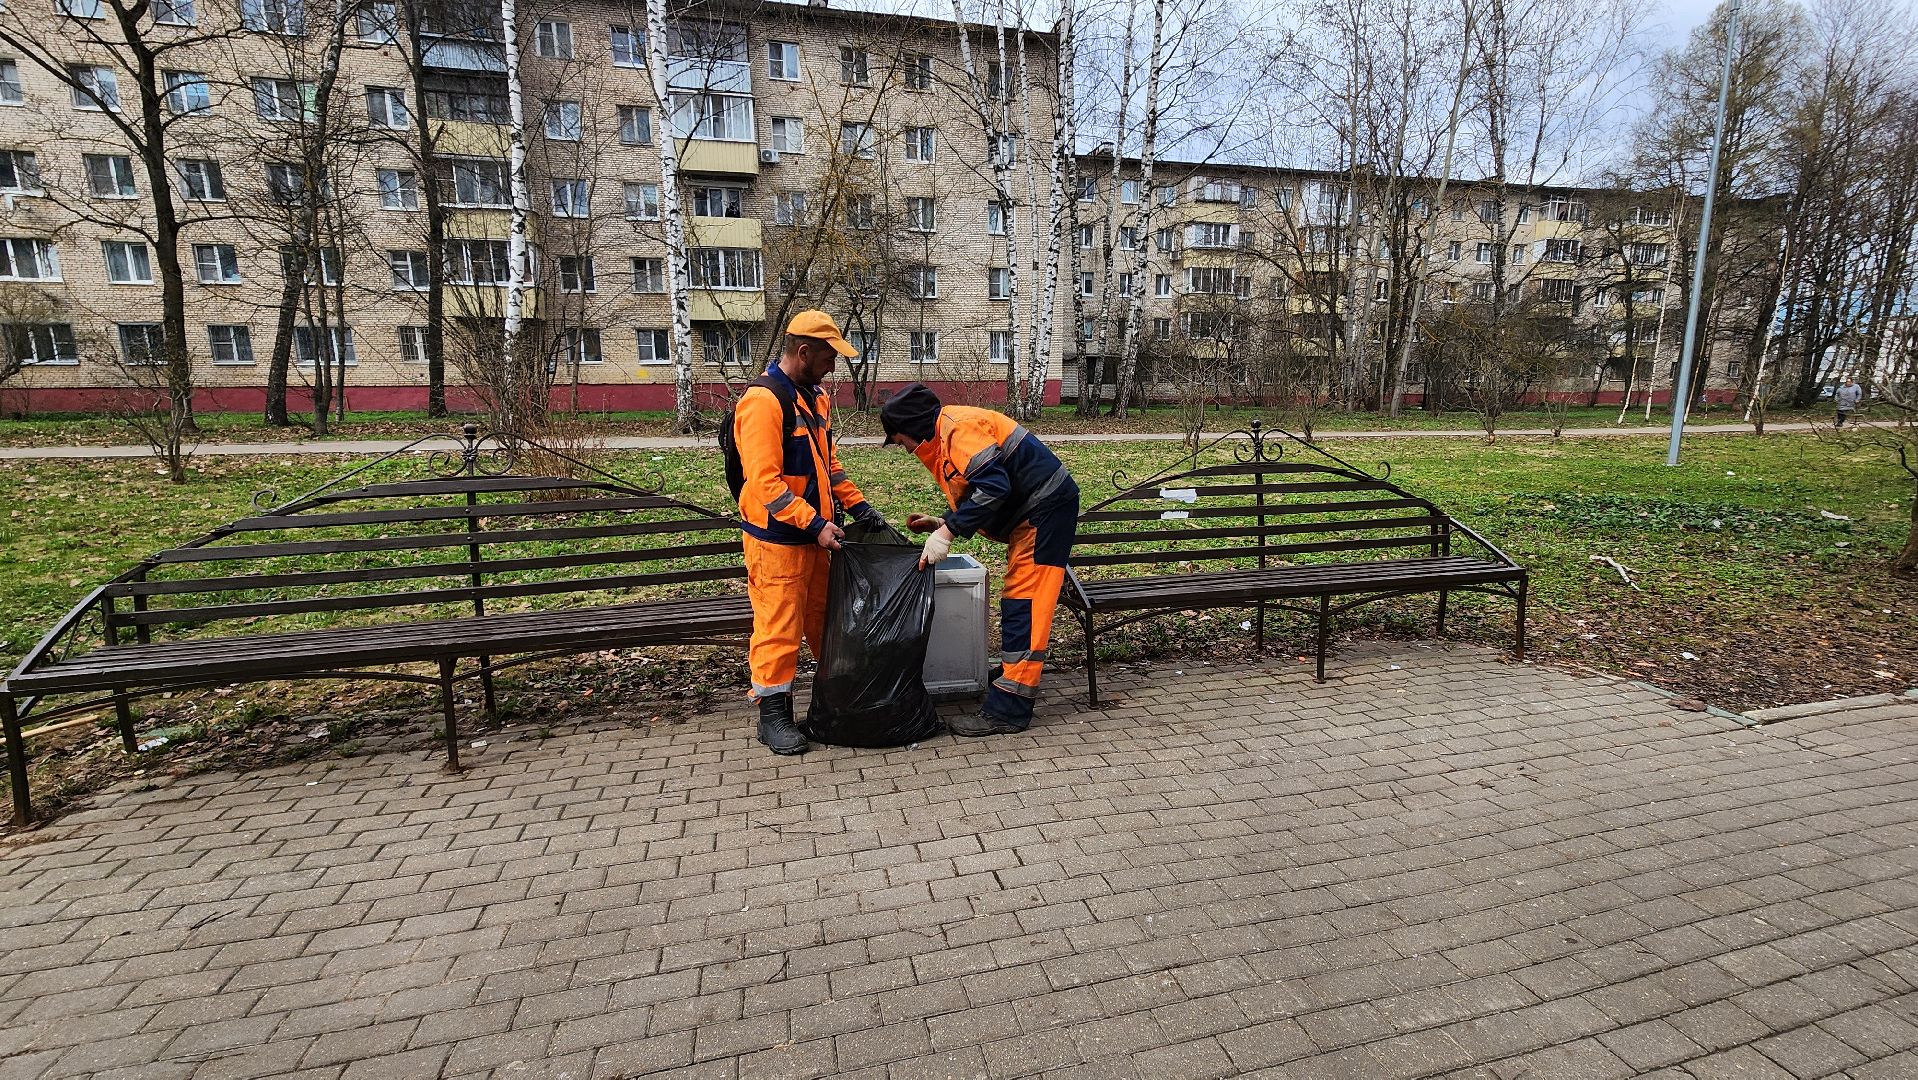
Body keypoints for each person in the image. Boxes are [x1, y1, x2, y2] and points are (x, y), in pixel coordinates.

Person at [880, 383, 1078, 737]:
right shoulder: (947, 433)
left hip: (1045, 513)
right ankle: (1010, 676)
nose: (906, 450)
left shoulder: (957, 429)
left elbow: (994, 488)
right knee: (1018, 601)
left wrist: (948, 534)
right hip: (1037, 512)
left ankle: (1010, 708)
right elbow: (981, 489)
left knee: (1026, 604)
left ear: (912, 428)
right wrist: (944, 522)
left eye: (899, 441)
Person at [734, 311, 885, 755]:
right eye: (828, 356)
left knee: (825, 623)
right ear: (804, 352)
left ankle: (833, 698)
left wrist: (860, 506)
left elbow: (827, 465)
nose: (833, 366)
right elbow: (765, 482)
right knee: (779, 627)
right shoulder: (763, 402)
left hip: (815, 538)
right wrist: (815, 523)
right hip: (777, 541)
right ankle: (773, 714)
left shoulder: (813, 398)